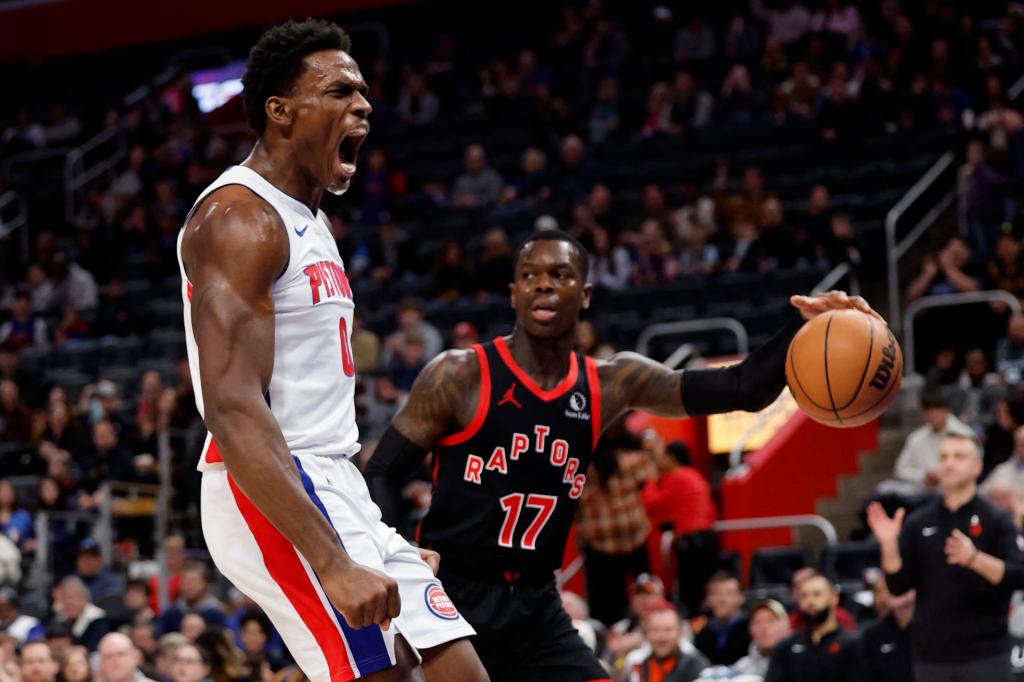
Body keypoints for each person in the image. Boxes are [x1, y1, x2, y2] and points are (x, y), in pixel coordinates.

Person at [367, 228, 879, 681]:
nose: (543, 284)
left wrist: (803, 324)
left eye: (560, 274)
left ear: (585, 294)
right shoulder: (460, 375)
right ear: (513, 293)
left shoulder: (610, 383)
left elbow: (742, 388)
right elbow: (382, 472)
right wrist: (395, 553)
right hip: (453, 595)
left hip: (535, 605)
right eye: (530, 275)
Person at [176, 18, 485, 682]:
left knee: (457, 668)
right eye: (341, 91)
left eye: (364, 93)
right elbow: (231, 409)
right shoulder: (240, 218)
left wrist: (368, 533)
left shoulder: (307, 218)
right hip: (268, 486)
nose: (363, 105)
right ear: (280, 112)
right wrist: (333, 558)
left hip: (336, 485)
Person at [868, 433, 1024, 681]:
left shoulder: (996, 518)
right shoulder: (918, 521)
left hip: (986, 653)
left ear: (977, 467)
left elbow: (1018, 575)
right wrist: (889, 545)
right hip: (932, 657)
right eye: (943, 457)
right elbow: (899, 585)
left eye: (959, 457)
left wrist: (976, 559)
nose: (949, 463)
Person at [641, 439, 717, 617]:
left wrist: (651, 481)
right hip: (707, 539)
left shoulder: (676, 477)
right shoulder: (696, 475)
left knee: (690, 593)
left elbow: (652, 503)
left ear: (672, 458)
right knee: (706, 589)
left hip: (690, 543)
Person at [764, 572, 861, 682]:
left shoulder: (854, 644)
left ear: (834, 598)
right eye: (804, 596)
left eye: (817, 594)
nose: (810, 601)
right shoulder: (785, 647)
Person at [629, 606, 709, 682]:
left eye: (668, 630)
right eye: (655, 630)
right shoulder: (638, 665)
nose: (661, 637)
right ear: (646, 633)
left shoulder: (696, 667)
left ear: (679, 632)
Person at [859, 576, 914, 682]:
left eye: (888, 590)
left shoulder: (926, 630)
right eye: (878, 591)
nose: (883, 597)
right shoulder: (871, 635)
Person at [694, 573, 750, 666]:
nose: (721, 599)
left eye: (728, 593)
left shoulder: (752, 630)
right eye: (715, 593)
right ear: (707, 599)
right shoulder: (702, 634)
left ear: (741, 597)